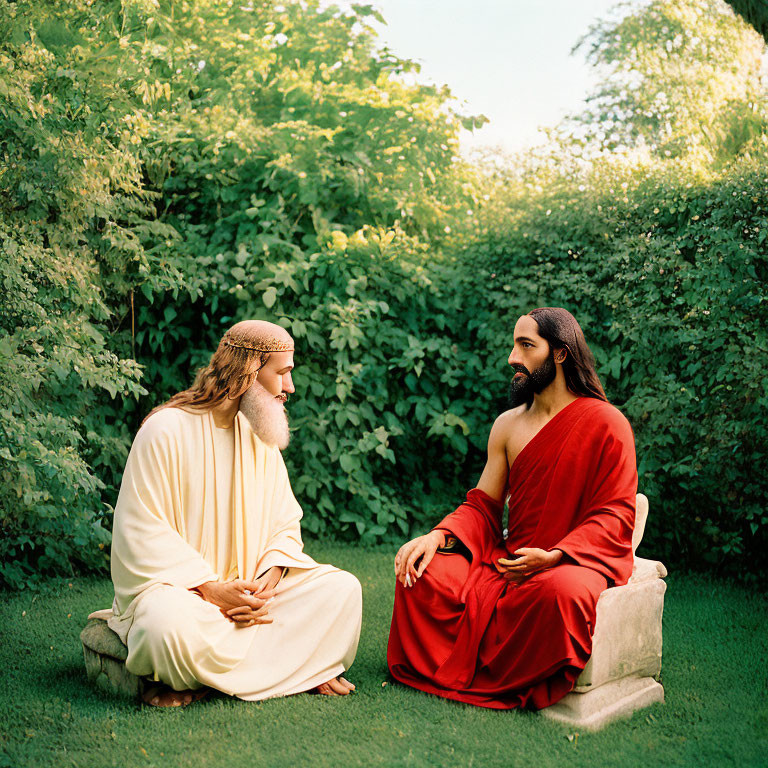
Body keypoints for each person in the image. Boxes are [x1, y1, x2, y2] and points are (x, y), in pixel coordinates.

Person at [387, 307, 638, 710]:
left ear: (559, 353)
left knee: (563, 594)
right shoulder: (508, 424)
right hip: (509, 559)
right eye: (513, 345)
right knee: (423, 572)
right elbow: (483, 505)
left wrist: (555, 555)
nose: (512, 358)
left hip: (570, 561)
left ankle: (506, 678)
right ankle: (453, 672)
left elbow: (615, 513)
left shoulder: (608, 423)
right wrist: (436, 536)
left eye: (525, 346)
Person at [105, 320, 362, 707]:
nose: (289, 388)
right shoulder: (165, 430)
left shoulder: (261, 435)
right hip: (187, 596)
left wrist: (265, 584)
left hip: (254, 599)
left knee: (343, 590)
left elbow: (284, 526)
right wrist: (211, 590)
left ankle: (200, 678)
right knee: (162, 627)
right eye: (282, 373)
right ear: (249, 370)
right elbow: (140, 531)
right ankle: (298, 667)